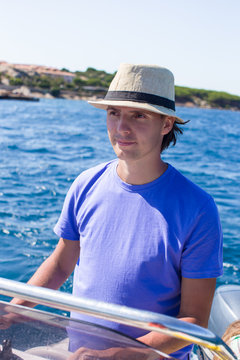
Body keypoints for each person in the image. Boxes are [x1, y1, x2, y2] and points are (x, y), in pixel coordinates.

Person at [8, 64, 223, 359]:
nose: (122, 127)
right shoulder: (85, 184)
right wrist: (12, 309)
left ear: (166, 124)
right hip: (80, 354)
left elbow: (194, 320)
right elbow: (60, 264)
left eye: (139, 115)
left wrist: (119, 354)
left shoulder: (198, 209)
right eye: (113, 113)